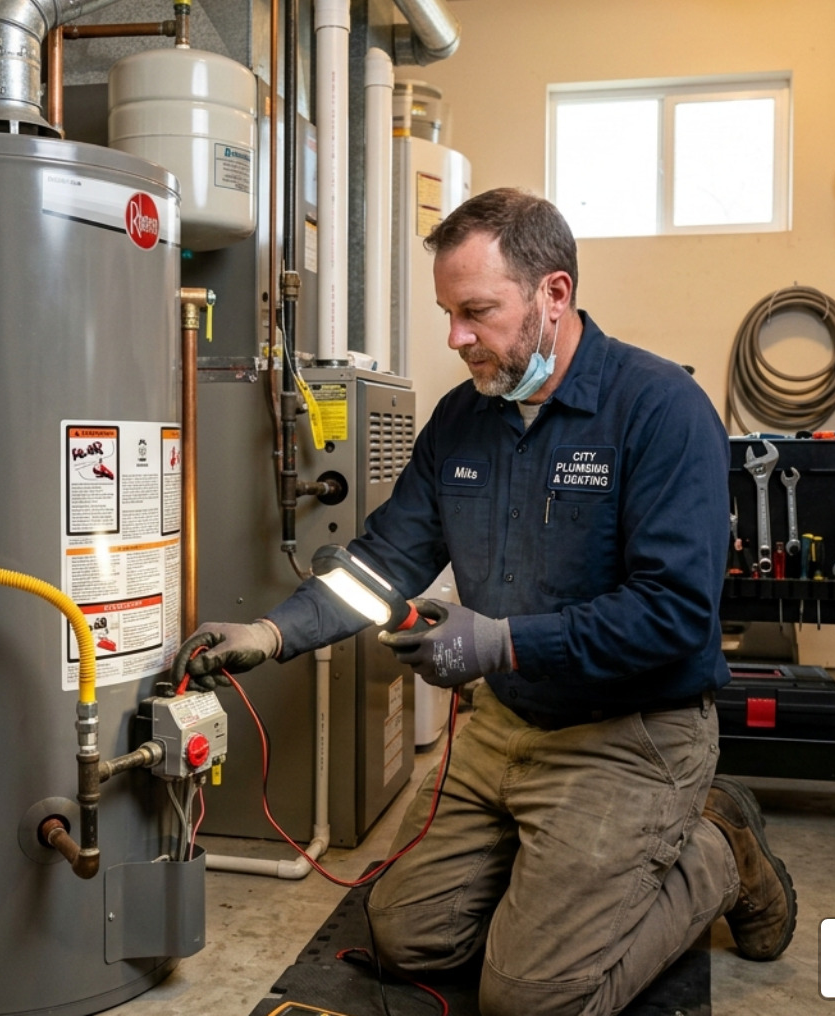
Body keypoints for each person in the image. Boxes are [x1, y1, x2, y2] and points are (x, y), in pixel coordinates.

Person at [187, 188, 795, 1016]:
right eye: (448, 312)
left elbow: (675, 616)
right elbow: (383, 561)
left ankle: (717, 851)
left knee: (530, 1000)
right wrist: (270, 631)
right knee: (405, 936)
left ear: (555, 293)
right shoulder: (461, 422)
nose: (456, 337)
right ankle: (563, 876)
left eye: (476, 311)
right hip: (508, 730)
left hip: (632, 734)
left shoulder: (661, 413)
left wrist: (502, 643)